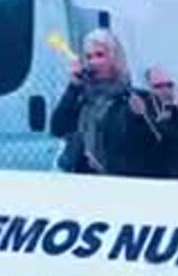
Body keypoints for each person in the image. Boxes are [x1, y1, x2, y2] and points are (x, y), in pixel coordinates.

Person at [49, 29, 163, 177]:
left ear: (115, 58)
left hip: (118, 179)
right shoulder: (83, 97)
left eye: (100, 55)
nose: (93, 62)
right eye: (89, 57)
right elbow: (57, 128)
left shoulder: (134, 98)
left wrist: (140, 118)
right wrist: (73, 87)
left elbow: (152, 145)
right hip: (81, 177)